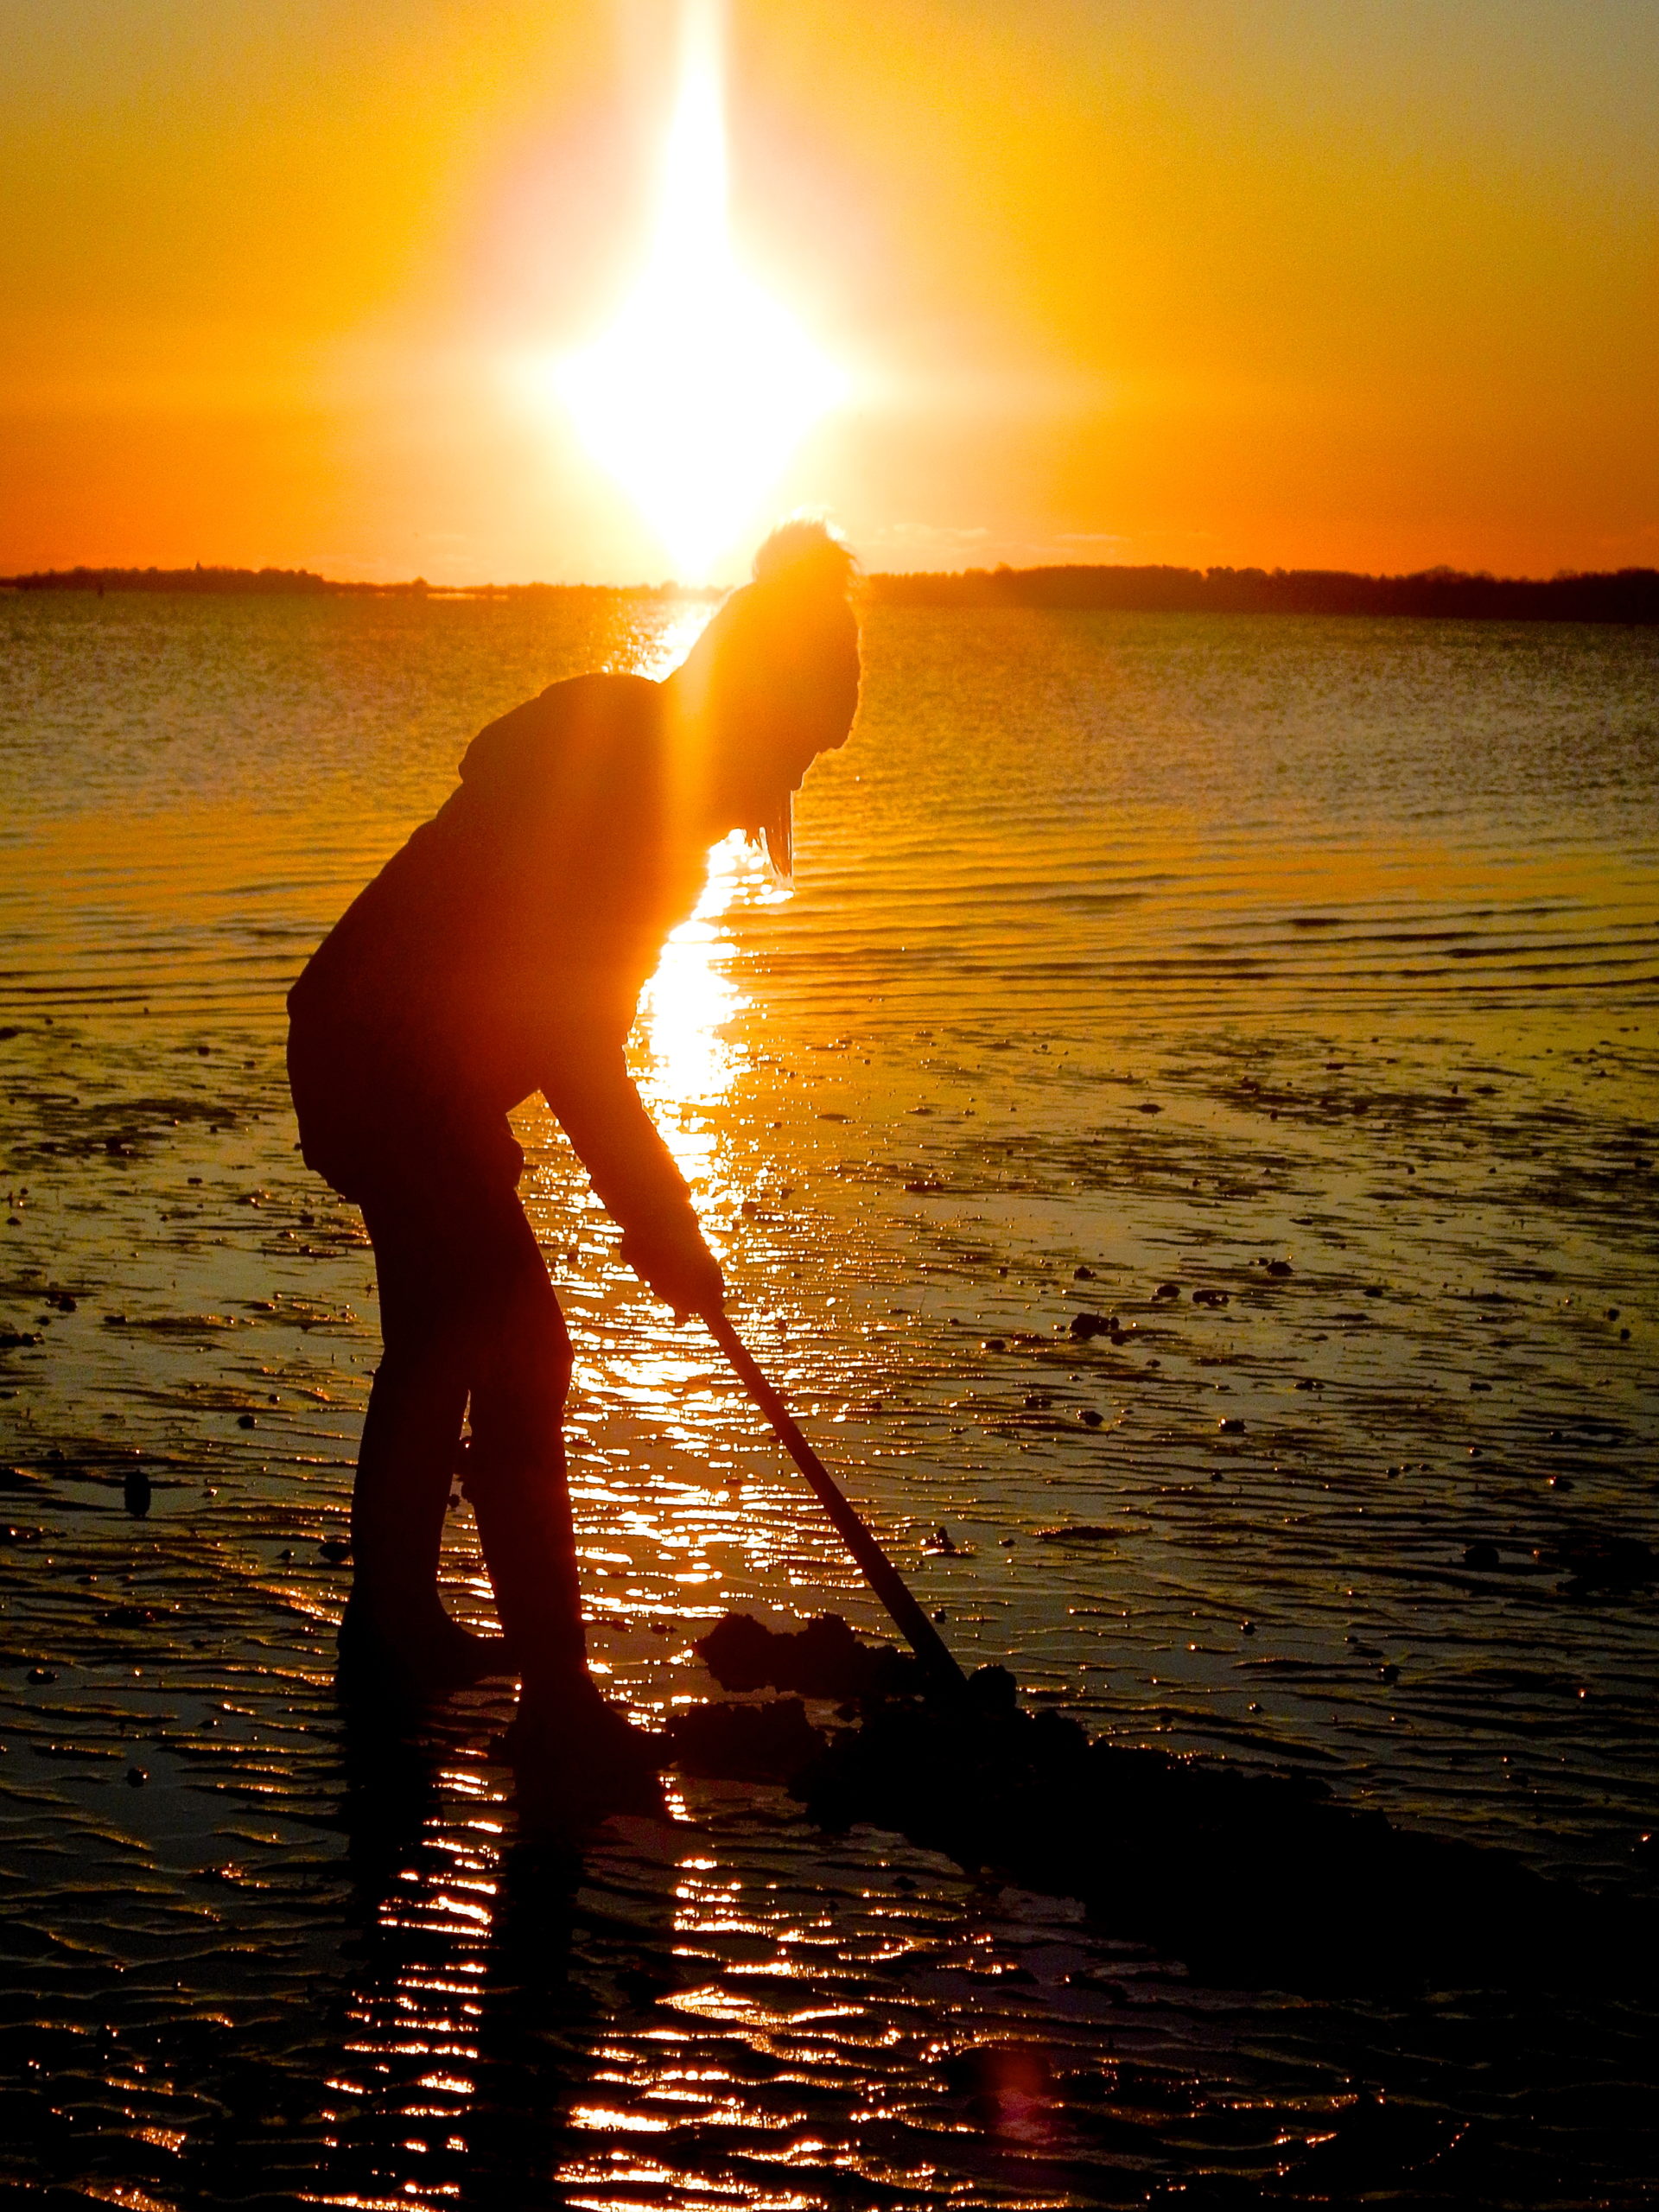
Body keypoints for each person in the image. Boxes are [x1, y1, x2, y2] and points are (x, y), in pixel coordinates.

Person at [287, 520, 859, 1805]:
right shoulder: (631, 803)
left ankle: (394, 1630)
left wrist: (649, 1214)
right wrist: (661, 1222)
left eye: (810, 758)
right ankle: (553, 1701)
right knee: (516, 1342)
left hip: (399, 1063)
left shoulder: (649, 780)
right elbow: (574, 1044)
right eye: (790, 745)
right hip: (383, 1064)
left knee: (443, 1340)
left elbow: (553, 1023)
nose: (787, 781)